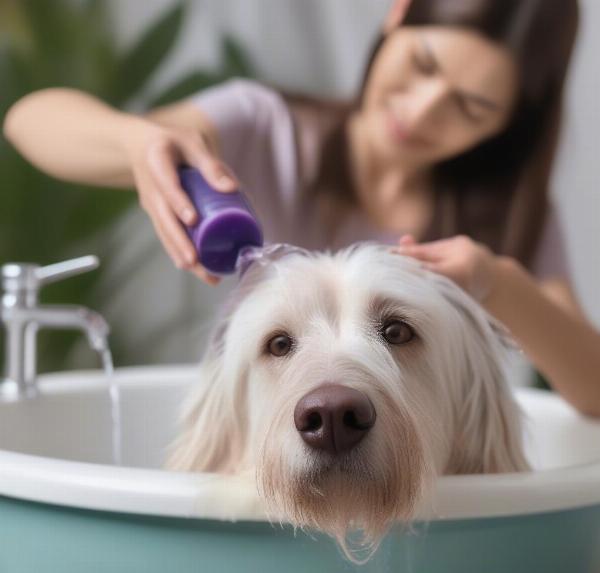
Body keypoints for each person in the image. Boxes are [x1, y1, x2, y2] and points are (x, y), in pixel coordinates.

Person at [3, 0, 600, 416]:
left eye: (470, 107)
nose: (420, 113)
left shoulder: (512, 215)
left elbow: (593, 390)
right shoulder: (264, 130)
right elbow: (29, 121)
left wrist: (494, 282)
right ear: (398, 12)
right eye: (422, 65)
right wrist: (138, 143)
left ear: (511, 119)